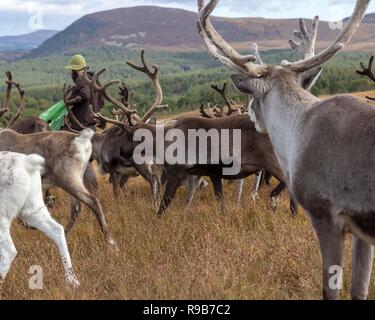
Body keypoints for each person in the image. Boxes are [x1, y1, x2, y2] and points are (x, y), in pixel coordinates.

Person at [65, 54, 102, 132]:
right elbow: (101, 102)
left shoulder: (81, 79)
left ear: (75, 70)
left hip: (80, 127)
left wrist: (68, 101)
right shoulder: (95, 81)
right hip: (92, 126)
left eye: (72, 70)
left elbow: (85, 94)